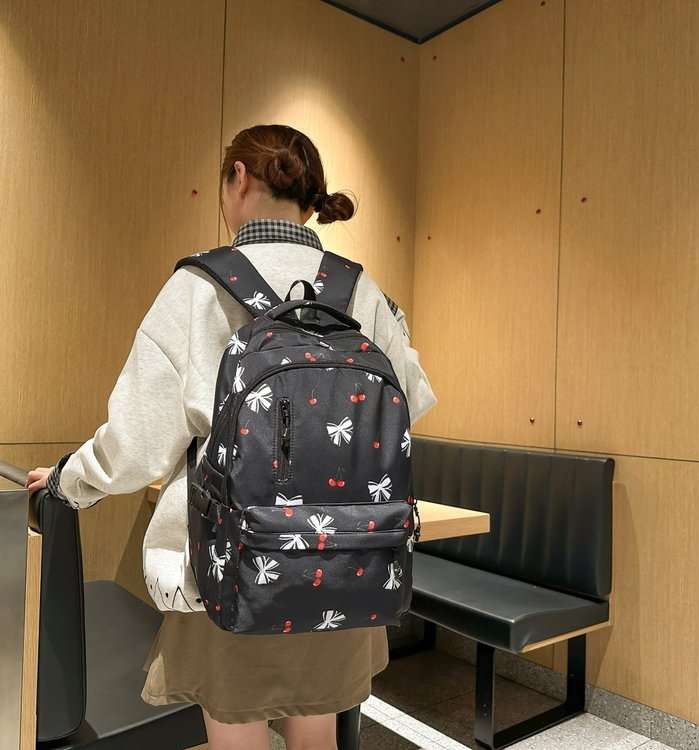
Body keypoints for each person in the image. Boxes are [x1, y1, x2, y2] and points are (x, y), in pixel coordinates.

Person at [25, 123, 437, 750]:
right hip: (348, 565)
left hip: (234, 564)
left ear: (238, 178)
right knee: (317, 738)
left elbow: (137, 441)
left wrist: (67, 482)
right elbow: (412, 401)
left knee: (236, 740)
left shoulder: (199, 287)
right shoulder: (360, 288)